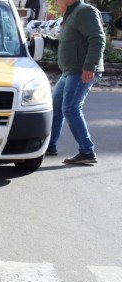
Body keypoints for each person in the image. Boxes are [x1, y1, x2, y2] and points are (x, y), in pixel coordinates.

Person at [45, 0, 105, 165]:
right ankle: (50, 146)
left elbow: (98, 39)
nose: (56, 2)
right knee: (57, 107)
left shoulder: (85, 11)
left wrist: (90, 66)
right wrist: (43, 40)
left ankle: (87, 151)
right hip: (70, 71)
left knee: (71, 108)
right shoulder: (72, 13)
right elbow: (66, 43)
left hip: (81, 70)